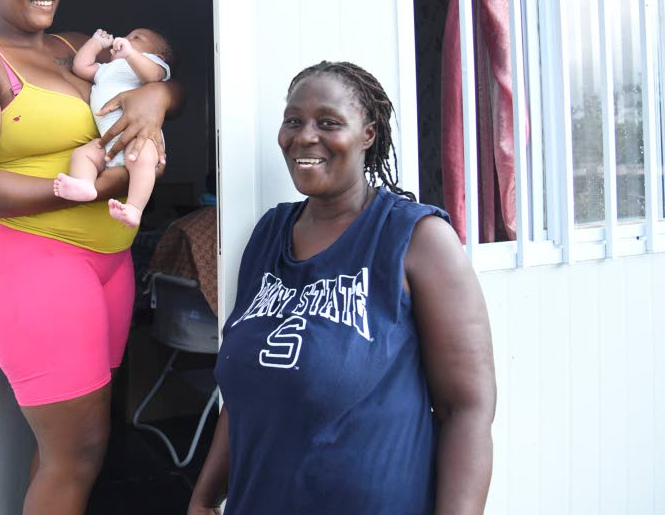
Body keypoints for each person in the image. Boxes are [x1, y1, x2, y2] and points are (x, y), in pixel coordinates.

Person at [0, 0, 181, 515]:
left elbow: (170, 82)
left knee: (68, 452)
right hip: (36, 262)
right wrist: (104, 186)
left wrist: (157, 96)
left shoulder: (77, 47)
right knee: (79, 450)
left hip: (110, 265)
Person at [188, 61, 495, 515]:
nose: (305, 136)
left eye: (328, 122)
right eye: (294, 121)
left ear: (368, 134)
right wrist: (205, 497)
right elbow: (249, 395)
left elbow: (466, 411)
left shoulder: (416, 239)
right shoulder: (269, 234)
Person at [54, 26, 174, 228]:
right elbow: (81, 67)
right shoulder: (106, 69)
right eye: (126, 36)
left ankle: (135, 208)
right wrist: (95, 44)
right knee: (83, 154)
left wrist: (130, 54)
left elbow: (152, 76)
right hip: (108, 141)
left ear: (157, 55)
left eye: (136, 37)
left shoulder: (152, 65)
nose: (126, 39)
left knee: (142, 160)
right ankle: (85, 185)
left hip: (140, 138)